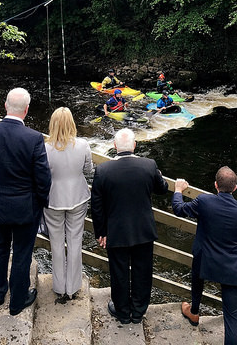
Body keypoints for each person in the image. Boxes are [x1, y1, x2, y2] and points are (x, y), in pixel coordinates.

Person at [0, 87, 51, 316]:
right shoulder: (34, 138)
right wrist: (40, 203)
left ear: (5, 106)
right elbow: (43, 179)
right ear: (26, 110)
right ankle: (17, 301)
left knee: (1, 246)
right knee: (23, 252)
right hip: (26, 207)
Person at [91, 128, 169, 325]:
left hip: (116, 231)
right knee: (143, 271)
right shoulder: (149, 165)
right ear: (134, 146)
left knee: (119, 272)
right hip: (143, 229)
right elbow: (162, 189)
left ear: (115, 147)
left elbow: (97, 206)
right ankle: (139, 311)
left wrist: (100, 232)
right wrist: (158, 175)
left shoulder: (103, 170)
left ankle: (122, 311)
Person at [172, 167, 237, 345]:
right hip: (232, 266)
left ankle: (194, 311)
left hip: (205, 260)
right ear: (235, 188)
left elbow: (178, 209)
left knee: (197, 277)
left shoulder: (204, 201)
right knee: (232, 316)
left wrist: (178, 190)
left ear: (215, 185)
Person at [44, 107, 93, 302]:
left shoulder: (45, 147)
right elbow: (89, 170)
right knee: (75, 241)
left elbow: (42, 173)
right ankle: (73, 288)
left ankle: (59, 286)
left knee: (56, 243)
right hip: (78, 197)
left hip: (53, 199)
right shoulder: (83, 145)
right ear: (72, 123)